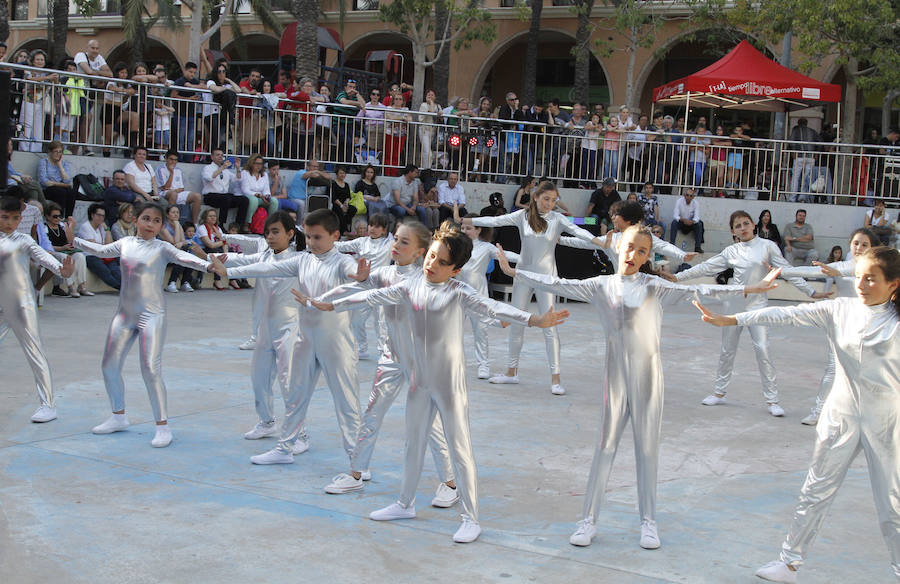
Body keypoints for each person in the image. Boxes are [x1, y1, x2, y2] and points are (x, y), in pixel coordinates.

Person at [496, 224, 778, 550]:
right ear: (618, 246)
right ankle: (588, 520)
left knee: (646, 449)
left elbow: (703, 291)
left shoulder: (654, 287)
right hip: (614, 375)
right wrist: (514, 272)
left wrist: (753, 288)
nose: (633, 254)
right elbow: (557, 283)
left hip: (649, 377)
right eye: (629, 247)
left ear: (647, 257)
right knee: (604, 447)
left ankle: (649, 522)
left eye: (641, 251)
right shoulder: (600, 285)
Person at [301, 221, 569, 543]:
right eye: (431, 256)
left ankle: (470, 518)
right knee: (412, 444)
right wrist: (331, 304)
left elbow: (493, 306)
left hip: (448, 385)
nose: (432, 265)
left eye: (442, 263)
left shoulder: (459, 292)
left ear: (455, 270)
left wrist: (533, 319)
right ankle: (405, 503)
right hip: (419, 380)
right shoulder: (409, 285)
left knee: (460, 448)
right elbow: (371, 296)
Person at [695, 246, 900, 584]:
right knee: (815, 490)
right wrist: (731, 319)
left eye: (871, 279)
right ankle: (789, 563)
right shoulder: (840, 309)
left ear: (893, 284)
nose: (861, 285)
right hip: (841, 416)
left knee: (893, 505)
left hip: (887, 421)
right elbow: (785, 314)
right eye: (859, 277)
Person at [210, 209, 369, 466]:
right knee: (295, 396)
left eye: (318, 237)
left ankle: (358, 461)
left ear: (335, 236)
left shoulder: (342, 262)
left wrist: (358, 275)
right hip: (305, 339)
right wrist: (228, 272)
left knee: (346, 401)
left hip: (336, 343)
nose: (312, 242)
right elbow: (266, 268)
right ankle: (285, 448)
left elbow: (353, 271)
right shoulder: (302, 260)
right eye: (309, 237)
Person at [318, 221, 457, 505]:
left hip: (420, 362)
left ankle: (451, 483)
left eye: (405, 242)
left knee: (429, 424)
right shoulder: (382, 273)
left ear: (420, 252)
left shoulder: (423, 280)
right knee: (372, 414)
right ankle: (356, 473)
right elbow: (354, 289)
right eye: (395, 239)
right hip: (390, 358)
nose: (396, 245)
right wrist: (320, 299)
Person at [74, 202, 213, 448]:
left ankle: (162, 426)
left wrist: (211, 264)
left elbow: (187, 259)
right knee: (109, 366)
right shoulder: (125, 243)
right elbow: (101, 250)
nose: (150, 224)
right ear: (136, 219)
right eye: (146, 218)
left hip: (152, 316)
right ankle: (118, 416)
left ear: (161, 226)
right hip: (124, 316)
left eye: (156, 221)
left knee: (150, 369)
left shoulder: (162, 248)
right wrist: (74, 240)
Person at [667, 210, 829, 415]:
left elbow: (786, 271)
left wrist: (811, 291)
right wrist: (678, 277)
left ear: (754, 225)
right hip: (734, 304)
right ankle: (719, 392)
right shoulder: (731, 251)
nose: (742, 228)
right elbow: (705, 267)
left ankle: (772, 401)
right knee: (727, 349)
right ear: (733, 231)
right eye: (738, 226)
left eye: (745, 223)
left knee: (763, 349)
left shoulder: (768, 246)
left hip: (758, 306)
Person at [462, 181, 607, 395]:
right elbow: (495, 220)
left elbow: (578, 231)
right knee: (516, 322)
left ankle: (556, 378)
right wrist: (468, 220)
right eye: (546, 199)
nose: (549, 204)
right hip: (522, 275)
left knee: (550, 327)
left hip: (546, 278)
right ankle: (511, 372)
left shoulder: (557, 219)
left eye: (553, 200)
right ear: (536, 197)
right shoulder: (522, 216)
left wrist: (599, 241)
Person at [212, 212, 310, 445]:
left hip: (290, 328)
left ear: (290, 233)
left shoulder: (299, 259)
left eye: (275, 232)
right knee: (259, 378)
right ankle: (267, 422)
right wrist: (205, 256)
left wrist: (228, 272)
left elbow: (259, 269)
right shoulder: (264, 255)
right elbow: (239, 259)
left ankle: (301, 434)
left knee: (288, 382)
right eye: (267, 233)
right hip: (266, 329)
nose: (270, 237)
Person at [778, 228, 879, 426]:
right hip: (841, 321)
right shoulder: (840, 265)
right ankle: (818, 411)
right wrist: (782, 271)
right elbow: (811, 271)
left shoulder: (876, 268)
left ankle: (866, 414)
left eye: (864, 244)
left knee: (867, 371)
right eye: (856, 243)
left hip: (868, 324)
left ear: (872, 247)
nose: (859, 247)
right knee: (833, 369)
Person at [0, 196, 75, 423]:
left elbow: (44, 257)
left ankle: (48, 405)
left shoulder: (24, 240)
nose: (9, 223)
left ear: (20, 219)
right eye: (4, 217)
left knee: (35, 353)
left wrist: (61, 269)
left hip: (22, 306)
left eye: (15, 218)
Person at [455, 208, 521, 379]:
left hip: (478, 293)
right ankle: (453, 363)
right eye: (463, 228)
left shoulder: (486, 247)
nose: (465, 231)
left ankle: (483, 365)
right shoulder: (456, 245)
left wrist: (526, 258)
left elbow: (505, 255)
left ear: (479, 229)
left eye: (469, 228)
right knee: (453, 331)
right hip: (457, 294)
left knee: (480, 330)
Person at [334, 213, 393, 359]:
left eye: (377, 226)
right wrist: (322, 241)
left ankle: (384, 351)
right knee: (357, 320)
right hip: (364, 286)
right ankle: (362, 349)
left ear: (384, 230)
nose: (373, 228)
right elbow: (340, 246)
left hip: (381, 288)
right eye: (371, 225)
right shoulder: (361, 242)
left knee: (381, 322)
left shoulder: (389, 244)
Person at [43, 202, 91, 298]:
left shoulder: (61, 226)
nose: (58, 218)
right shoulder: (44, 228)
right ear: (47, 216)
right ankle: (71, 287)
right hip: (52, 252)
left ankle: (81, 285)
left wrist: (71, 228)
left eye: (60, 216)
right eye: (55, 216)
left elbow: (70, 240)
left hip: (65, 250)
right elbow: (45, 246)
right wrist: (62, 248)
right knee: (65, 257)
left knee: (80, 256)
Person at [19, 50, 57, 153]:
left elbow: (55, 85)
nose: (40, 62)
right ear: (33, 61)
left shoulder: (46, 73)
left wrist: (54, 78)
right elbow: (29, 79)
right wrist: (47, 77)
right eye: (38, 59)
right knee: (26, 125)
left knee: (39, 127)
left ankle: (36, 149)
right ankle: (24, 148)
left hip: (41, 103)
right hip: (29, 101)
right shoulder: (28, 70)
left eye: (42, 60)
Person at [77, 204, 121, 290]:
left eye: (103, 216)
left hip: (102, 255)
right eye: (99, 215)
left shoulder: (101, 227)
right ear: (92, 215)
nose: (101, 218)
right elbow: (92, 245)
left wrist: (107, 230)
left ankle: (127, 287)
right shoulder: (85, 226)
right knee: (105, 271)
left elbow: (109, 244)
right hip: (90, 256)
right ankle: (121, 288)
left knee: (115, 269)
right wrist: (103, 246)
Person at [201, 149, 249, 227]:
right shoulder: (207, 168)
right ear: (212, 157)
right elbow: (209, 178)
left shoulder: (226, 170)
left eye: (222, 155)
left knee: (244, 200)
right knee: (226, 198)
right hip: (211, 196)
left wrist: (238, 168)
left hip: (224, 196)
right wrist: (222, 168)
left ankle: (238, 225)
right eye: (218, 155)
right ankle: (221, 224)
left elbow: (237, 179)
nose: (220, 157)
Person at [158, 205, 198, 293]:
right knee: (182, 254)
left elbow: (183, 241)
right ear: (167, 215)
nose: (176, 214)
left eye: (177, 212)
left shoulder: (178, 224)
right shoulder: (163, 226)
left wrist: (181, 243)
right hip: (163, 253)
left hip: (174, 252)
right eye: (173, 212)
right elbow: (174, 242)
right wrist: (176, 226)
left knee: (189, 253)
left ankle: (185, 282)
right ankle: (171, 283)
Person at [171, 61, 206, 160]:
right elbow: (173, 95)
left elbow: (204, 86)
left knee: (190, 139)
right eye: (190, 72)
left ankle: (188, 159)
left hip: (192, 114)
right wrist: (188, 99)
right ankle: (179, 158)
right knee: (181, 138)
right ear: (185, 71)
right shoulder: (179, 81)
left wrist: (192, 86)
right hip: (180, 113)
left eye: (194, 72)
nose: (192, 74)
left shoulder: (194, 81)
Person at [156, 150, 203, 223]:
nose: (173, 162)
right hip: (164, 193)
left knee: (197, 196)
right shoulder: (160, 169)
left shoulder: (178, 170)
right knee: (173, 194)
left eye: (175, 160)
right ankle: (172, 222)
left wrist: (175, 190)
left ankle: (194, 223)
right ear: (166, 159)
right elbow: (165, 187)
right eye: (171, 159)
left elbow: (182, 188)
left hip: (177, 192)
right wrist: (171, 173)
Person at [38, 142, 78, 218]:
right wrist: (63, 185)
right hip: (47, 189)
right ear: (50, 152)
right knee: (61, 192)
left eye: (60, 152)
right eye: (55, 151)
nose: (58, 154)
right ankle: (59, 217)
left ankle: (68, 218)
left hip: (60, 187)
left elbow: (68, 181)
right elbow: (44, 182)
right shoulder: (44, 162)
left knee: (72, 193)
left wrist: (60, 165)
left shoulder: (64, 163)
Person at [240, 154, 279, 230]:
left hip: (261, 197)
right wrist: (259, 195)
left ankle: (270, 224)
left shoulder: (264, 174)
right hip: (249, 195)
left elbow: (266, 190)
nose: (259, 166)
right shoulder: (245, 173)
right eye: (257, 163)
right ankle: (247, 224)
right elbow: (245, 190)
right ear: (251, 163)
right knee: (253, 200)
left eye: (260, 164)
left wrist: (267, 196)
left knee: (274, 201)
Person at [197, 208, 229, 291]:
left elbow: (226, 243)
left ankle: (234, 279)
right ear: (205, 218)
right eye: (210, 216)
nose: (213, 218)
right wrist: (223, 242)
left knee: (230, 254)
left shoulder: (218, 228)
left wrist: (226, 253)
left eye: (214, 216)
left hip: (216, 249)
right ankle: (217, 280)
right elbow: (210, 245)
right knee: (217, 253)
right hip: (203, 249)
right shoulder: (202, 228)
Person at [788, 118, 820, 199]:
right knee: (808, 177)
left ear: (798, 123)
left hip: (799, 156)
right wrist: (816, 153)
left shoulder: (796, 130)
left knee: (795, 177)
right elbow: (819, 142)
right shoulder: (812, 131)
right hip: (810, 156)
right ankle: (804, 196)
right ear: (806, 123)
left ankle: (793, 197)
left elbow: (791, 142)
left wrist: (793, 152)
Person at [668, 187, 704, 253]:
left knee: (699, 224)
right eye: (687, 195)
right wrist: (683, 220)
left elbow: (697, 217)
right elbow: (675, 216)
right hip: (682, 222)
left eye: (691, 196)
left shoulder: (695, 203)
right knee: (674, 222)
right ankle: (672, 244)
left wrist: (692, 221)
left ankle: (697, 247)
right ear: (684, 195)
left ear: (693, 197)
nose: (688, 197)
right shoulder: (679, 201)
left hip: (691, 223)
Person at [330, 166, 356, 234]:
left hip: (344, 204)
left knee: (353, 209)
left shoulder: (346, 184)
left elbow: (348, 196)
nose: (342, 175)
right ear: (337, 174)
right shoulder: (333, 183)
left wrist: (346, 204)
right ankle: (344, 230)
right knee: (339, 210)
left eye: (344, 173)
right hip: (336, 203)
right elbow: (333, 197)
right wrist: (341, 206)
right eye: (341, 173)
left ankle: (346, 224)